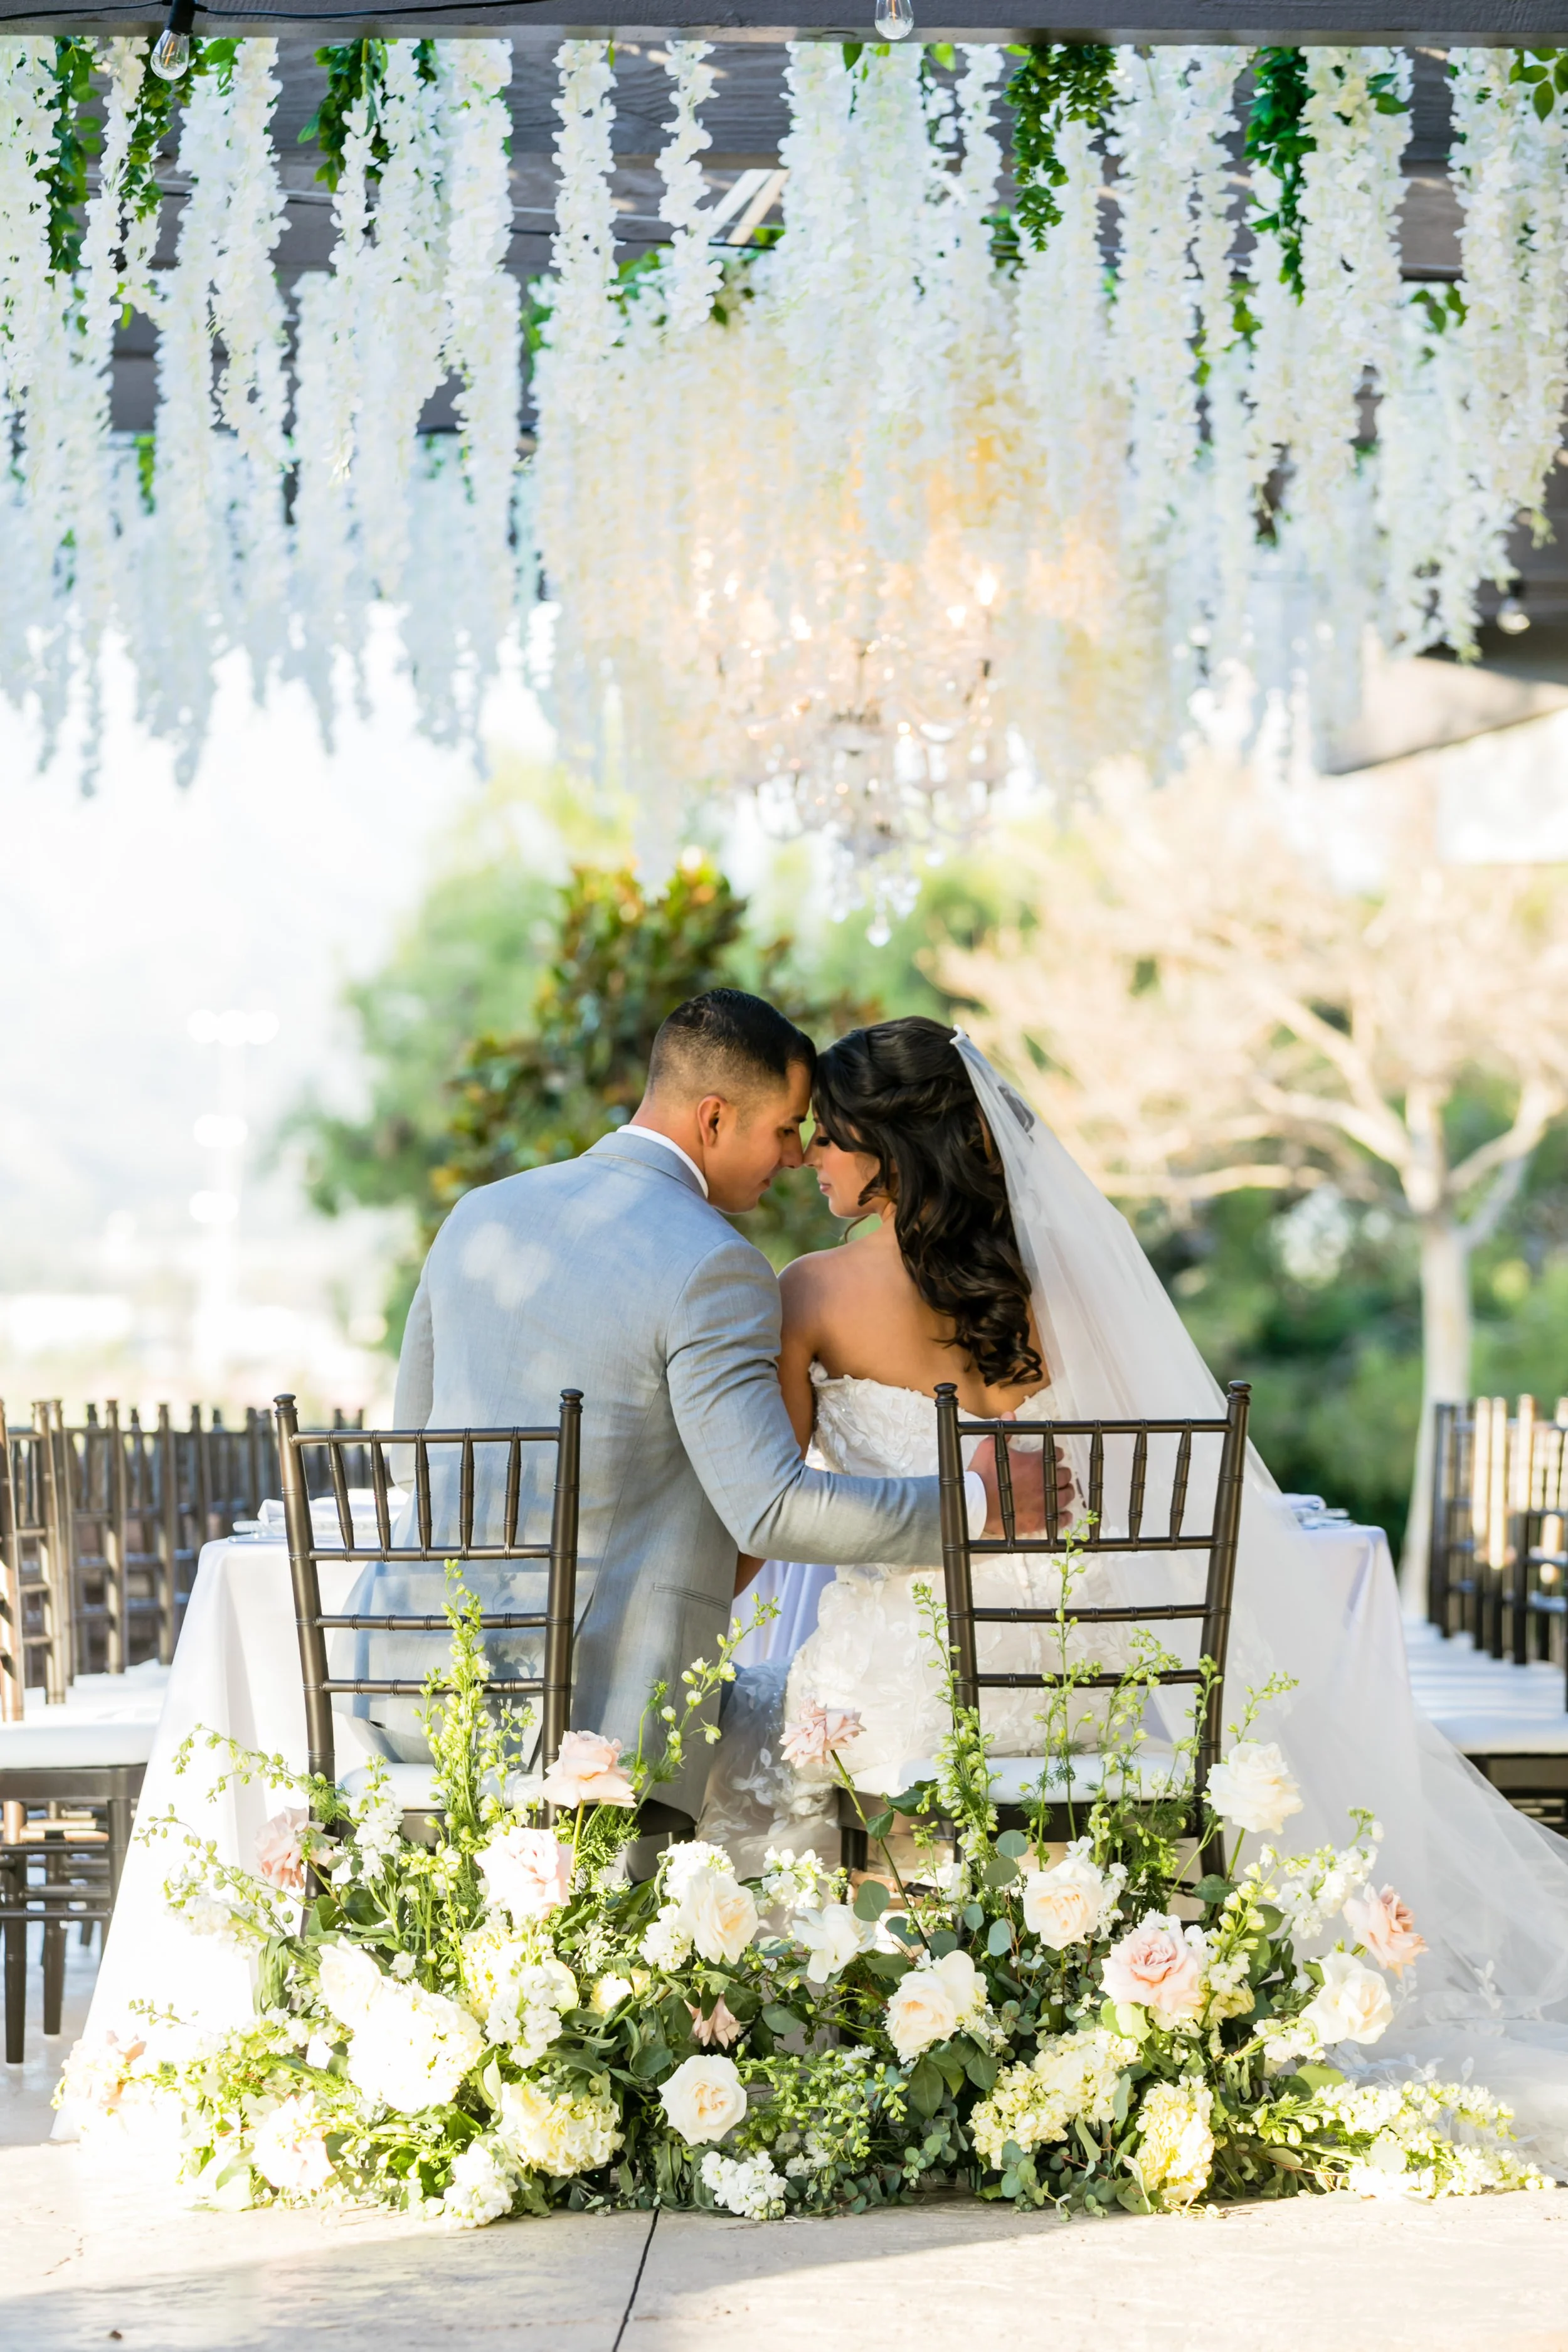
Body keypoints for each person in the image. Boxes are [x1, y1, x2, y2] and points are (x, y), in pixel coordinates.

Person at [700, 1014, 1568, 2173]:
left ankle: (908, 2027)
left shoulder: (807, 1292)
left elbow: (775, 1510)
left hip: (909, 1686)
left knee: (775, 1723)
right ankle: (1059, 2030)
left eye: (830, 1137)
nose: (811, 1156)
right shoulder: (1056, 1287)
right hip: (1075, 1677)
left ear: (887, 1149)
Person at [379, 989, 1063, 1828]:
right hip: (599, 1723)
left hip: (406, 1691)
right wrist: (982, 1503)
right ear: (712, 1118)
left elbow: (413, 1442)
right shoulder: (715, 1264)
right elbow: (770, 1506)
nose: (793, 1156)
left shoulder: (474, 1219)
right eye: (784, 1129)